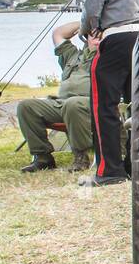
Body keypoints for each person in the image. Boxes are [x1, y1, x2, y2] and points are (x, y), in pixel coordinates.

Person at [79, 0, 139, 187]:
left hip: (117, 37)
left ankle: (109, 170)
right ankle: (136, 165)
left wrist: (88, 29)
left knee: (103, 106)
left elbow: (92, 5)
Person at [15, 22, 95, 173]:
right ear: (86, 37)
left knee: (73, 104)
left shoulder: (109, 56)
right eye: (93, 35)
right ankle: (43, 157)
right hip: (62, 105)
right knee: (26, 106)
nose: (97, 38)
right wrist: (87, 21)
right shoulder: (72, 55)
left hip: (90, 105)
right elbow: (58, 33)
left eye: (101, 35)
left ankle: (80, 157)